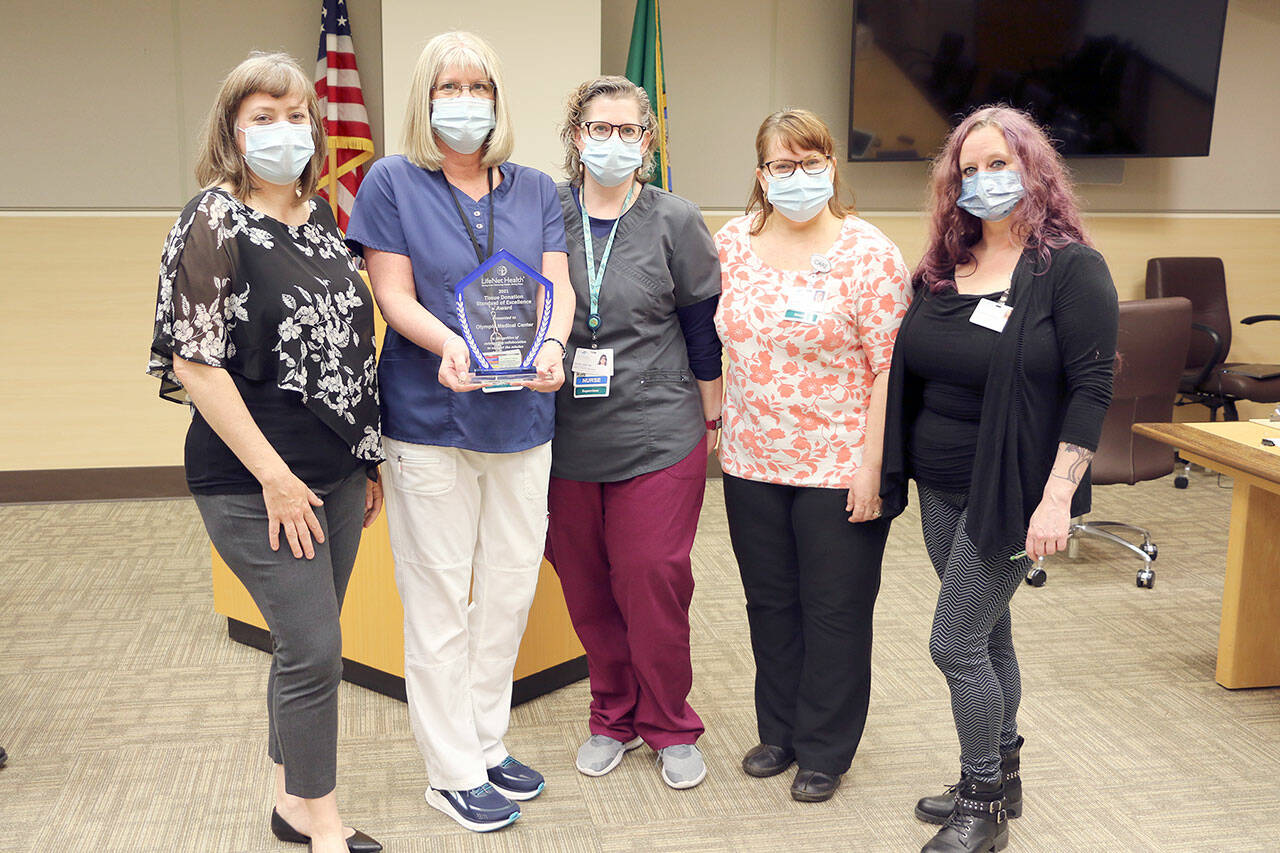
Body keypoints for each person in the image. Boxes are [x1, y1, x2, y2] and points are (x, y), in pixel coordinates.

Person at [147, 53, 384, 853]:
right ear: (231, 129)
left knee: (301, 646)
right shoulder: (211, 218)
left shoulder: (318, 218)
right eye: (262, 117)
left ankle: (286, 797)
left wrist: (368, 455)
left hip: (338, 471)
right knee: (316, 649)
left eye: (295, 116)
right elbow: (194, 362)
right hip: (256, 480)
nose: (283, 131)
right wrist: (277, 479)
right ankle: (322, 817)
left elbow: (347, 349)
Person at [344, 31, 573, 833]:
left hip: (523, 420)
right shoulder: (390, 182)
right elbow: (392, 295)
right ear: (425, 98)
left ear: (498, 98)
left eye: (479, 84)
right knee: (439, 597)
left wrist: (551, 343)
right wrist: (448, 344)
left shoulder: (541, 187)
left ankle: (485, 738)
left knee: (508, 589)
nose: (466, 98)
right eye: (450, 85)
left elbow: (559, 287)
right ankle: (450, 771)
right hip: (430, 418)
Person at [879, 105, 1118, 853]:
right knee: (989, 632)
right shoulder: (944, 267)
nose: (982, 180)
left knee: (953, 643)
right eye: (968, 169)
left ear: (1033, 168)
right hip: (940, 480)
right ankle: (1002, 772)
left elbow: (1091, 388)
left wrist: (1056, 497)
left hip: (1012, 488)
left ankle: (983, 802)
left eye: (997, 164)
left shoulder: (1070, 269)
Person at [714, 109, 911, 803]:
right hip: (749, 459)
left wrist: (872, 466)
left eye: (809, 162)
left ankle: (826, 748)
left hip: (839, 465)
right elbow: (713, 340)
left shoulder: (870, 253)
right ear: (761, 174)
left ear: (831, 164)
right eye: (781, 165)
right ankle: (781, 732)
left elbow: (890, 366)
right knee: (769, 603)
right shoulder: (731, 242)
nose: (796, 177)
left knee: (835, 609)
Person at [546, 76, 723, 790]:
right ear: (575, 135)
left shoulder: (674, 219)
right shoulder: (543, 212)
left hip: (658, 429)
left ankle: (669, 721)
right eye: (599, 127)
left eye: (628, 130)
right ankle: (611, 714)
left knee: (652, 577)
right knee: (586, 586)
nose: (612, 142)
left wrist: (713, 418)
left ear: (647, 142)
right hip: (563, 436)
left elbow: (701, 332)